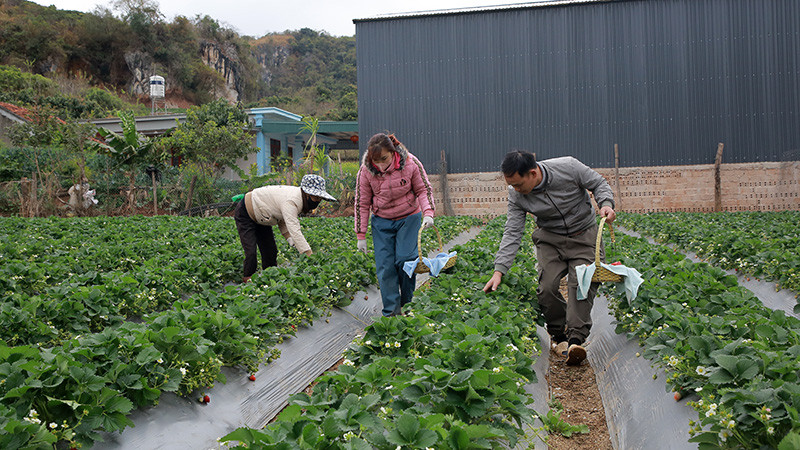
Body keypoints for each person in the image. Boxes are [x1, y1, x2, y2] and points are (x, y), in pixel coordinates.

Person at [482, 151, 616, 366]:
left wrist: (606, 203)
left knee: (581, 283)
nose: (515, 189)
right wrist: (499, 270)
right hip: (550, 240)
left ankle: (575, 340)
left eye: (518, 184)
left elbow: (598, 183)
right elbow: (513, 231)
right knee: (547, 286)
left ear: (533, 173)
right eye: (511, 185)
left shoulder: (569, 167)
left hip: (584, 235)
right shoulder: (516, 194)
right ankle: (558, 335)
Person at [355, 133, 435, 317]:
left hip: (408, 218)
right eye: (377, 161)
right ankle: (391, 312)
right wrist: (361, 235)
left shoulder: (410, 163)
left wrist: (428, 213)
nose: (381, 166)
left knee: (406, 260)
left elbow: (423, 189)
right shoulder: (366, 171)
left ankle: (407, 305)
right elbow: (362, 203)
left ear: (392, 152)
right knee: (385, 268)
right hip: (382, 221)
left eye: (384, 159)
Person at [235, 174, 336, 282]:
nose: (317, 201)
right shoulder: (292, 200)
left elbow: (282, 218)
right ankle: (247, 282)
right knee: (251, 252)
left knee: (271, 251)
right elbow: (294, 228)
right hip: (246, 211)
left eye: (320, 199)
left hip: (263, 216)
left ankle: (269, 280)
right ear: (307, 194)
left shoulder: (296, 199)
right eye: (316, 197)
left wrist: (290, 240)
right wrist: (308, 254)